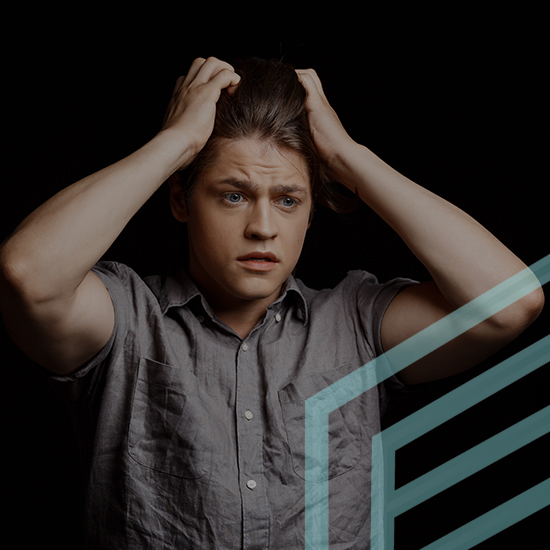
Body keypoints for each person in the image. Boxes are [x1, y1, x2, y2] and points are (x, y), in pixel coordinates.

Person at [0, 56, 544, 549]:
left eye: (288, 200)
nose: (262, 227)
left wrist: (348, 157)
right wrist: (176, 145)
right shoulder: (125, 319)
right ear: (180, 199)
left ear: (310, 213)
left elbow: (510, 305)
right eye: (233, 195)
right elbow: (29, 274)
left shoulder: (355, 322)